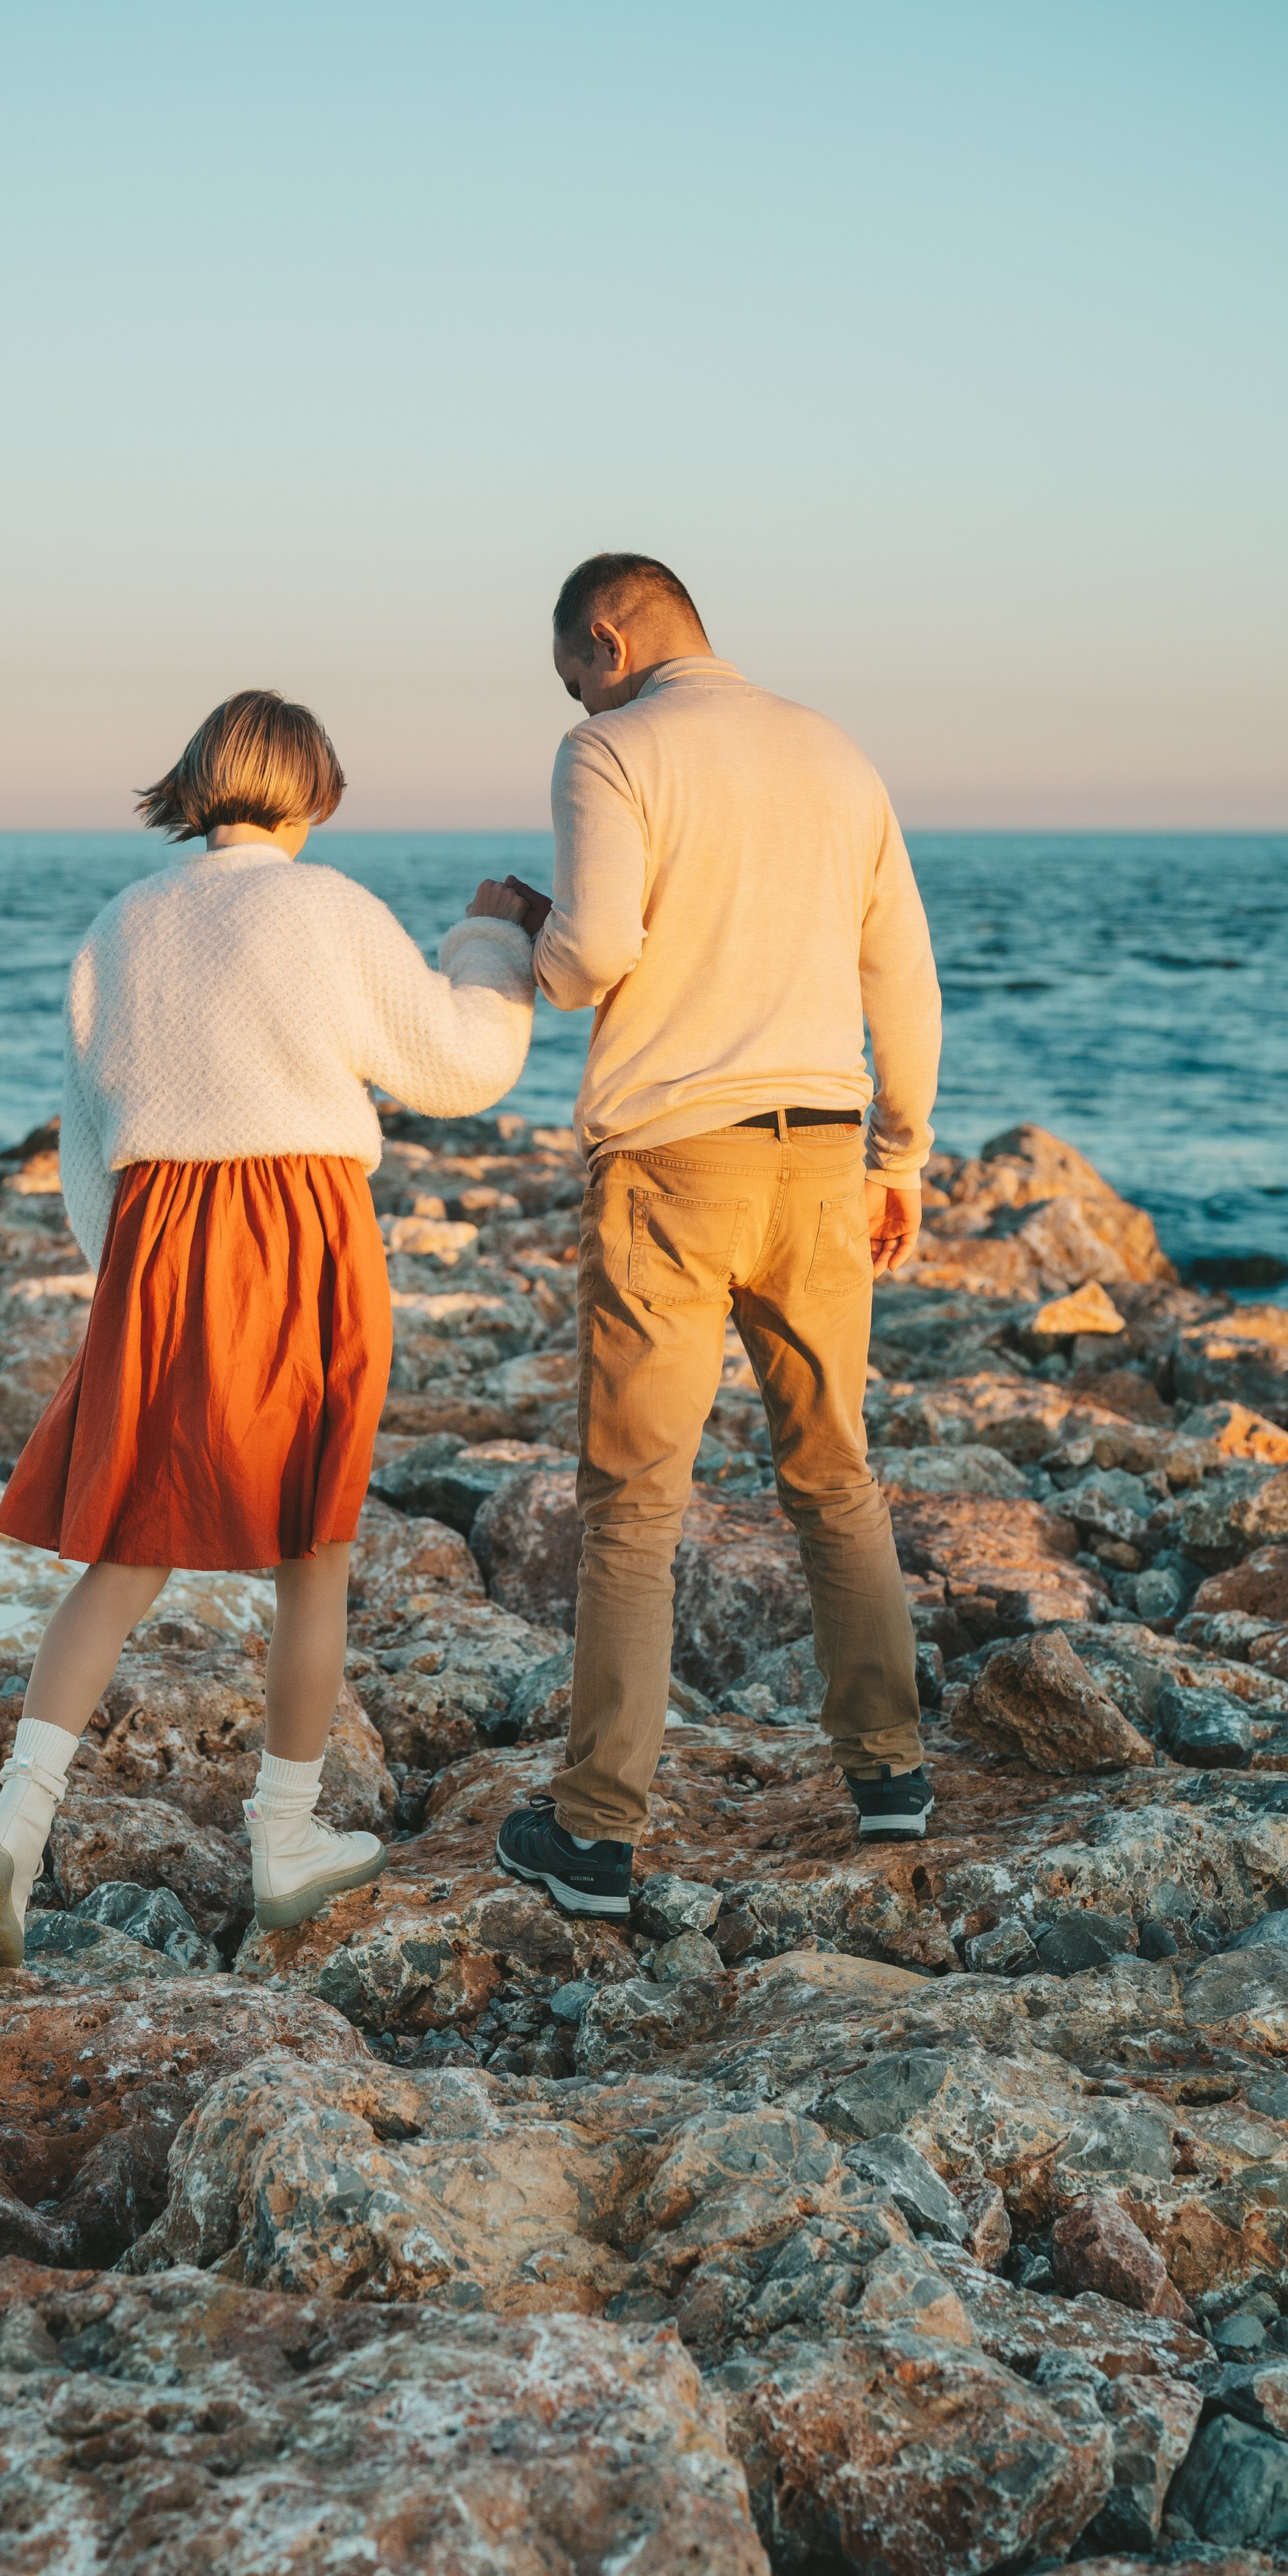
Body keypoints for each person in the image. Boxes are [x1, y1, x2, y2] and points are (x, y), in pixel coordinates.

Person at [0, 688, 536, 1966]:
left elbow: (86, 1143)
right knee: (311, 1548)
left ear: (197, 782)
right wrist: (489, 944)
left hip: (158, 1239)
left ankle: (14, 1824)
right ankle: (286, 1837)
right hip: (303, 1225)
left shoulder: (123, 923)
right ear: (314, 791)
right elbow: (462, 1071)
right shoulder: (327, 910)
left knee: (128, 1548)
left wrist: (136, 1291)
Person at [492, 554, 943, 1920]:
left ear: (609, 637)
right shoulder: (835, 753)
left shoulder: (610, 750)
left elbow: (591, 957)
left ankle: (598, 1832)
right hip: (819, 1153)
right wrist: (904, 1157)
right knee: (835, 1475)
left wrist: (518, 925)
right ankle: (891, 1772)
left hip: (673, 1163)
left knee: (636, 1506)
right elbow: (903, 973)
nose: (573, 694)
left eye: (572, 668)